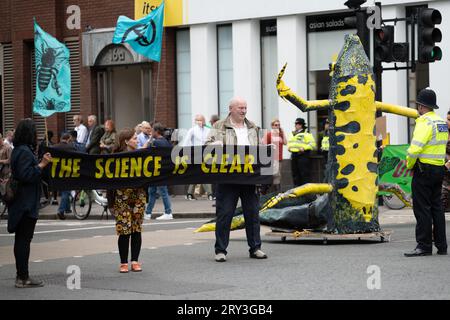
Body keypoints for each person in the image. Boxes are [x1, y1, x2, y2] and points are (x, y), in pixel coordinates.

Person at [206, 96, 267, 262]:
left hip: (249, 178)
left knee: (252, 214)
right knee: (225, 214)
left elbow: (259, 149)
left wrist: (267, 149)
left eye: (245, 107)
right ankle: (220, 250)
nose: (244, 110)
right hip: (227, 177)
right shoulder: (219, 126)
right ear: (231, 109)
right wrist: (213, 146)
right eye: (240, 107)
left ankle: (255, 248)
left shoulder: (253, 127)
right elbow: (206, 147)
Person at [8, 119, 52, 288]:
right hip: (25, 203)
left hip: (21, 202)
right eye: (34, 132)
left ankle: (21, 275)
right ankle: (23, 277)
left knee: (21, 240)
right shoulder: (25, 152)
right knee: (24, 240)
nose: (37, 135)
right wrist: (42, 164)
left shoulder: (18, 150)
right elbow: (26, 175)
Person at [404, 88, 448, 257]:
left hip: (424, 171)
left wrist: (409, 165)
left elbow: (415, 148)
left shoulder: (424, 122)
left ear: (422, 106)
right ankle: (442, 245)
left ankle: (423, 246)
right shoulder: (441, 122)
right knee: (437, 208)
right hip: (438, 170)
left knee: (422, 209)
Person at [111, 128, 147, 273]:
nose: (137, 140)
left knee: (136, 229)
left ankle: (135, 261)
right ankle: (123, 262)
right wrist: (110, 202)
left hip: (139, 197)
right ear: (126, 141)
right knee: (124, 230)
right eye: (134, 138)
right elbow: (109, 181)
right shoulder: (116, 157)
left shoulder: (142, 156)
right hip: (121, 197)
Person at [145, 122, 173, 220]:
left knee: (162, 191)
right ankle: (148, 213)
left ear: (156, 131)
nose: (151, 132)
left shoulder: (155, 142)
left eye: (152, 130)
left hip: (157, 170)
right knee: (152, 191)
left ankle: (168, 212)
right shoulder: (166, 142)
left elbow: (145, 150)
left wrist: (149, 140)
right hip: (163, 169)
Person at [183, 114, 213, 201]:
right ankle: (191, 193)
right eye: (197, 120)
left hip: (206, 154)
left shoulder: (208, 130)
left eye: (200, 120)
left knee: (205, 173)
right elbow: (186, 141)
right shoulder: (192, 130)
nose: (199, 122)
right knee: (196, 174)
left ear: (204, 121)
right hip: (195, 154)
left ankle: (208, 193)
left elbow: (211, 140)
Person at [54, 132, 77, 220]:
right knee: (66, 191)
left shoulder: (54, 147)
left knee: (65, 191)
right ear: (68, 139)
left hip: (57, 173)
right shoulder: (71, 147)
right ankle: (61, 210)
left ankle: (67, 209)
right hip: (67, 172)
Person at [287, 118, 316, 187]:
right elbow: (290, 143)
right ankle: (297, 191)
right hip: (294, 155)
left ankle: (305, 192)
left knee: (304, 174)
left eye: (297, 124)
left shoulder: (306, 134)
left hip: (303, 155)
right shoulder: (292, 133)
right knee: (295, 173)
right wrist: (289, 147)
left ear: (301, 125)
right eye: (295, 124)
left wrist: (304, 148)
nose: (296, 125)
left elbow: (312, 145)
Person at [262, 118, 287, 193]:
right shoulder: (269, 134)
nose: (277, 126)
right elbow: (263, 144)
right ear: (272, 126)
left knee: (277, 175)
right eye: (276, 125)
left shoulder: (281, 135)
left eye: (279, 125)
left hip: (279, 158)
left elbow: (285, 143)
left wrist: (283, 132)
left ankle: (277, 192)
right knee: (272, 175)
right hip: (271, 159)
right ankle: (267, 191)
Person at [442, 111, 450, 212]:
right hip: (444, 173)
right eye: (447, 119)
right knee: (441, 205)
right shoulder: (442, 131)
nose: (446, 121)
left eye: (449, 120)